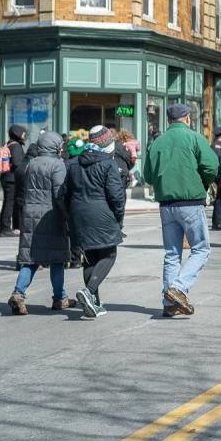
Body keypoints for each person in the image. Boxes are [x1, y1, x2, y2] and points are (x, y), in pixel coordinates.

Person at [144, 103, 219, 317]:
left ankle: (169, 304)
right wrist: (202, 184)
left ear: (168, 120)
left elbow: (148, 176)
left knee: (171, 253)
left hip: (166, 204)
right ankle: (178, 288)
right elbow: (211, 166)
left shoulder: (157, 142)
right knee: (201, 249)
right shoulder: (194, 138)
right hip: (190, 201)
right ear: (187, 119)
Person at [8, 132, 75, 315]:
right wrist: (68, 216)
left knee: (30, 259)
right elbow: (59, 194)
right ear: (54, 146)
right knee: (57, 259)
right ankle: (59, 298)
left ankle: (18, 293)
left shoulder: (31, 164)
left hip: (30, 214)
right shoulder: (57, 165)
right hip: (51, 215)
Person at [65, 126, 126, 318]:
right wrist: (118, 219)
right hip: (101, 213)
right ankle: (89, 291)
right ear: (107, 143)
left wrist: (70, 216)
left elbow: (65, 193)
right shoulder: (108, 163)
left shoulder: (73, 163)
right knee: (109, 254)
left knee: (89, 257)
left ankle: (94, 304)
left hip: (78, 213)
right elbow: (117, 197)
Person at [0, 124, 28, 237]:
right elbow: (17, 163)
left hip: (6, 177)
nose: (24, 136)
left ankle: (6, 227)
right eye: (23, 133)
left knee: (8, 203)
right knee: (9, 204)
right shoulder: (16, 146)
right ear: (17, 133)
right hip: (12, 179)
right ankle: (5, 229)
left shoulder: (8, 143)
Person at [210, 129, 221, 230]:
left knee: (220, 198)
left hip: (218, 174)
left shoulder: (217, 145)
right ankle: (217, 222)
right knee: (220, 199)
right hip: (219, 174)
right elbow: (219, 161)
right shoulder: (218, 146)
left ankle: (217, 222)